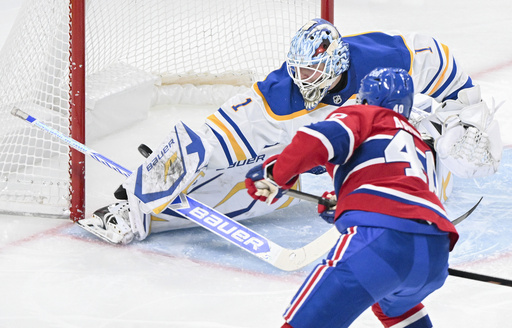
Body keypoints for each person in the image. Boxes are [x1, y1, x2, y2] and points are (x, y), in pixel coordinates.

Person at [77, 18, 500, 245]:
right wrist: (156, 178)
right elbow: (210, 141)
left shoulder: (384, 56)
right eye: (299, 69)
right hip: (319, 161)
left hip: (395, 145)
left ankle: (406, 201)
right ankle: (140, 214)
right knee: (247, 189)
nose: (305, 78)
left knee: (454, 148)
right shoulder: (278, 96)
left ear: (337, 63)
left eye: (314, 69)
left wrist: (467, 105)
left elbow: (436, 57)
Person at [245, 67, 459, 328]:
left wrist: (276, 174)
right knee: (395, 308)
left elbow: (316, 139)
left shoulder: (367, 115)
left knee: (306, 323)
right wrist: (346, 201)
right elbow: (404, 192)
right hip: (435, 252)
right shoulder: (420, 144)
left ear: (366, 99)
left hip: (383, 239)